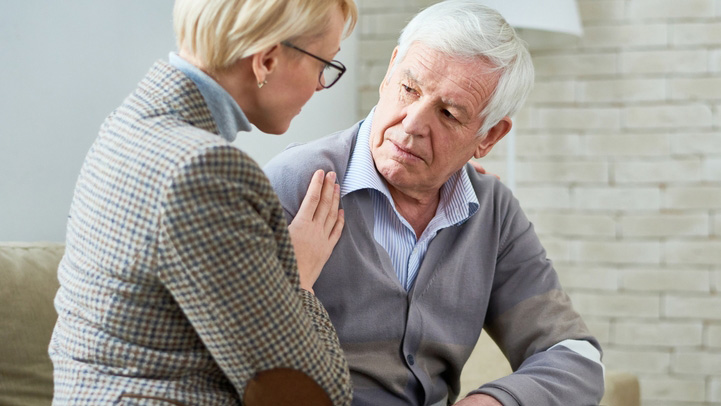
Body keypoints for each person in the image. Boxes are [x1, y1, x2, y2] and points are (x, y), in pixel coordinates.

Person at [264, 1, 605, 405]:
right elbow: (250, 357)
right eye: (409, 89)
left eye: (448, 113)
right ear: (391, 71)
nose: (412, 124)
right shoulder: (295, 183)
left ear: (489, 137)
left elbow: (574, 355)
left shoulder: (491, 210)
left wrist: (495, 403)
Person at [49, 0, 357, 405]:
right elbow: (312, 396)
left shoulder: (127, 126)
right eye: (324, 65)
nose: (321, 85)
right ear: (266, 60)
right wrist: (295, 279)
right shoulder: (203, 170)